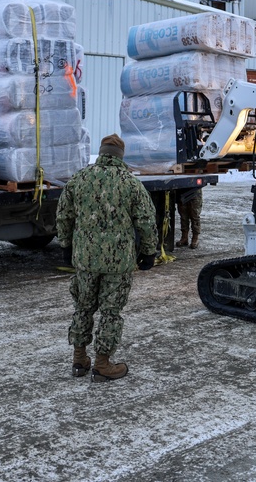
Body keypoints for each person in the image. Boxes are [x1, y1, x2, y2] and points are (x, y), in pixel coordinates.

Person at [57, 134, 158, 382]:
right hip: (118, 262)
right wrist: (148, 251)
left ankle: (79, 360)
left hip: (85, 259)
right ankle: (103, 364)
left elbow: (63, 215)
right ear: (120, 156)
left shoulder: (79, 179)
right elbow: (146, 221)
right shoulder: (130, 183)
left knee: (83, 307)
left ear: (101, 152)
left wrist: (66, 245)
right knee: (111, 312)